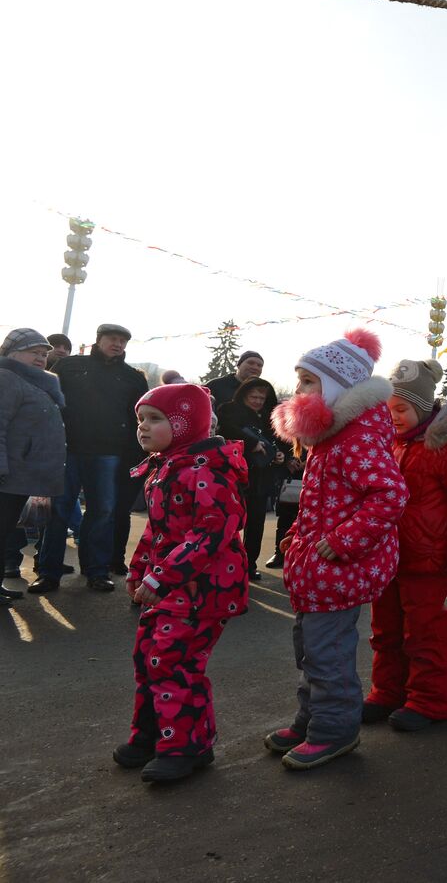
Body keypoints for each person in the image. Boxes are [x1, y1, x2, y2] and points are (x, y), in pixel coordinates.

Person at [265, 329, 408, 770]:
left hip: (341, 567)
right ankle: (311, 719)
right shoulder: (329, 438)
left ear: (337, 388)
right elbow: (326, 502)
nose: (300, 391)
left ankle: (334, 731)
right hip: (317, 566)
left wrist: (340, 542)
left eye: (310, 383)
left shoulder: (357, 437)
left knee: (327, 655)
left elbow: (390, 494)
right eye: (300, 381)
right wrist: (299, 538)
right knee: (311, 651)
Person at [115, 383, 248, 783]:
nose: (142, 428)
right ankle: (152, 734)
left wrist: (161, 575)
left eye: (155, 419)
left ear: (185, 425)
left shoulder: (206, 472)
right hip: (168, 587)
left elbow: (211, 534)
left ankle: (187, 746)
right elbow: (157, 531)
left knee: (175, 662)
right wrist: (139, 569)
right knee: (149, 657)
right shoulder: (166, 467)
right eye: (140, 419)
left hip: (202, 590)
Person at [360, 359, 447, 732]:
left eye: (401, 409)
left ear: (423, 407)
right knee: (386, 628)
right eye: (388, 410)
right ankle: (388, 691)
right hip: (387, 555)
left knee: (425, 629)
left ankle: (432, 700)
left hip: (427, 557)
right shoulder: (388, 445)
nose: (393, 416)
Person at [32, 323, 147, 594]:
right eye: (112, 339)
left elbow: (139, 416)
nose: (117, 344)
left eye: (122, 341)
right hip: (66, 450)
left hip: (109, 454)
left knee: (103, 513)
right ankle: (48, 573)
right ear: (99, 340)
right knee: (58, 513)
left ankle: (97, 572)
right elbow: (49, 403)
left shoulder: (132, 377)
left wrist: (135, 454)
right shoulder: (69, 366)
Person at [0, 329, 68, 600]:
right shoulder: (7, 378)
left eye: (43, 353)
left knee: (4, 533)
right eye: (33, 352)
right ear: (11, 353)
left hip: (22, 474)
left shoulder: (38, 382)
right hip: (9, 474)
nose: (41, 358)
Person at [216, 377, 284, 581]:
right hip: (233, 475)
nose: (257, 401)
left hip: (261, 477)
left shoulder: (268, 416)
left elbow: (278, 439)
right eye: (253, 396)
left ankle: (249, 564)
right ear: (244, 395)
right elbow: (225, 429)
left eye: (261, 398)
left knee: (256, 523)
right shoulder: (228, 409)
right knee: (228, 522)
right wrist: (251, 442)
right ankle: (225, 563)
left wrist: (280, 455)